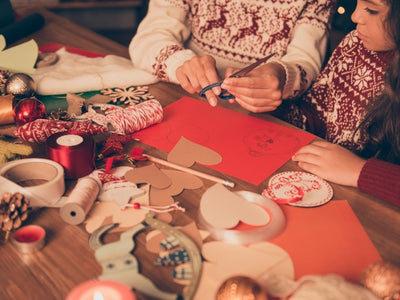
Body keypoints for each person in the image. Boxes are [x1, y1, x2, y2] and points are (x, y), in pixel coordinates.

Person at [265, 0, 399, 206]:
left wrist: (361, 171)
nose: (354, 17)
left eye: (372, 10)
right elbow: (313, 118)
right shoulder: (355, 44)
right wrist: (268, 99)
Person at [129, 0, 336, 108]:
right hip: (189, 103)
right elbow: (148, 38)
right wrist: (181, 63)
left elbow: (306, 62)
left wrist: (283, 76)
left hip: (268, 120)